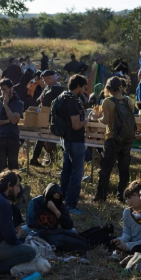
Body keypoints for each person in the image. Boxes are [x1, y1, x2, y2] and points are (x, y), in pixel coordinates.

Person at [91, 77, 135, 202]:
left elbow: (105, 121)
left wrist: (96, 117)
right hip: (127, 140)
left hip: (112, 139)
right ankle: (123, 196)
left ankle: (101, 196)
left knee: (106, 168)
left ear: (108, 88)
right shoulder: (129, 101)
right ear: (121, 87)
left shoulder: (107, 101)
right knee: (124, 169)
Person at [58, 74, 89, 215]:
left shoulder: (63, 97)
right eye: (84, 87)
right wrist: (87, 120)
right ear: (78, 86)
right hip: (75, 141)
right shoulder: (73, 101)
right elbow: (76, 125)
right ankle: (70, 204)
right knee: (77, 173)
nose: (85, 90)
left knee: (67, 171)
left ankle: (60, 198)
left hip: (65, 139)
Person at [110, 181, 141, 255]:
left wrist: (127, 246)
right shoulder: (127, 212)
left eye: (130, 197)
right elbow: (127, 234)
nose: (127, 201)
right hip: (133, 245)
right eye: (126, 198)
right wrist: (119, 241)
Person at [30, 70, 64, 168]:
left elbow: (42, 102)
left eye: (45, 80)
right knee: (43, 138)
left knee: (45, 138)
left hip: (52, 118)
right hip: (50, 118)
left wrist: (42, 101)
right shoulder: (50, 88)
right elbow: (39, 100)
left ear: (50, 78)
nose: (43, 82)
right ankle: (48, 158)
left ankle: (49, 158)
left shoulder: (54, 90)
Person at [0, 79, 23, 173]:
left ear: (11, 88)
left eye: (4, 89)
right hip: (0, 137)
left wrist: (5, 105)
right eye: (1, 90)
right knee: (1, 166)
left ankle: (15, 185)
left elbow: (13, 120)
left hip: (12, 136)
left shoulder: (18, 103)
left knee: (13, 165)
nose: (3, 92)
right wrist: (5, 121)